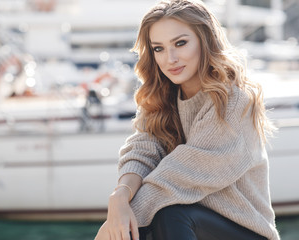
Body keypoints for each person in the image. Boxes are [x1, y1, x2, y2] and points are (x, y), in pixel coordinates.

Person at [95, 0, 280, 239]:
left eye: (180, 43)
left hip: (246, 231)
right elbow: (142, 151)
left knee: (169, 213)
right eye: (158, 48)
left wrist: (111, 228)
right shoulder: (161, 96)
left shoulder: (233, 101)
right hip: (187, 228)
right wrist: (120, 195)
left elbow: (179, 175)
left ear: (205, 41)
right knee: (158, 216)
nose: (170, 58)